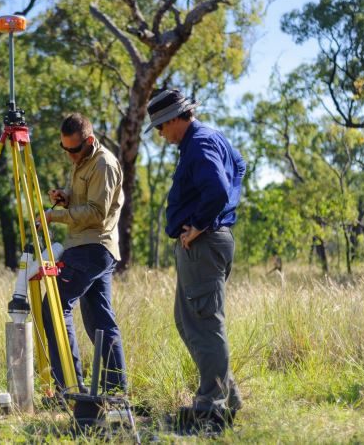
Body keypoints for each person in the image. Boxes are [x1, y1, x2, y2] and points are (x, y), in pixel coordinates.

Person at [145, 89, 246, 432]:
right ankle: (226, 397)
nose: (160, 134)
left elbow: (217, 189)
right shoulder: (208, 139)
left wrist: (202, 224)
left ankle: (210, 410)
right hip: (203, 245)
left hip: (202, 246)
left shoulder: (200, 143)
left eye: (161, 126)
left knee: (204, 323)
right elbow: (240, 165)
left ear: (176, 119)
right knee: (188, 321)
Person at [40, 113, 127, 396]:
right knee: (100, 321)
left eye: (74, 149)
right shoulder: (83, 160)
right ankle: (115, 392)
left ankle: (68, 388)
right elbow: (84, 201)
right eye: (64, 149)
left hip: (92, 247)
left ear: (89, 141)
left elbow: (97, 212)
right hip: (90, 248)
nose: (69, 156)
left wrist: (56, 216)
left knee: (53, 306)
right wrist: (65, 197)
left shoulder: (103, 163)